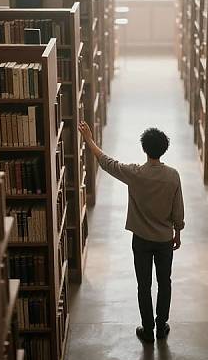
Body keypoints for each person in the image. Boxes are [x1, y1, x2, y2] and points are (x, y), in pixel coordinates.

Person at [78, 121, 185, 344]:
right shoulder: (173, 176)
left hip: (142, 240)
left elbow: (107, 163)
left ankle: (147, 329)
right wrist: (178, 232)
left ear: (144, 149)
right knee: (165, 283)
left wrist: (89, 140)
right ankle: (161, 325)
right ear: (164, 149)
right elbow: (178, 209)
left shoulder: (135, 173)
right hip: (165, 240)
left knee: (143, 285)